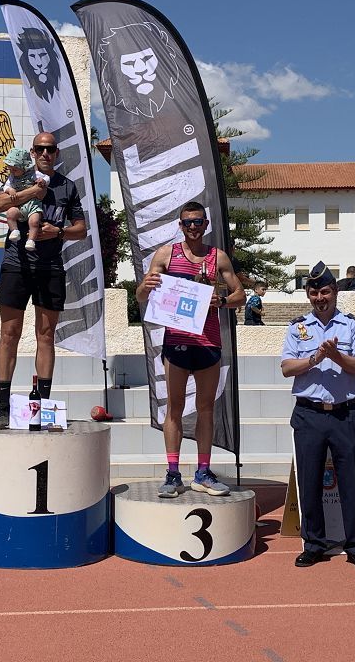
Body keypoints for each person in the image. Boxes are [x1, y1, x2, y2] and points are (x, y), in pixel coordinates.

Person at [136, 202, 245, 497]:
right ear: (180, 225)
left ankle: (203, 472)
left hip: (208, 342)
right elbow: (141, 296)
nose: (193, 227)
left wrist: (221, 302)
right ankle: (173, 474)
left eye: (198, 222)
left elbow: (241, 296)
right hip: (177, 342)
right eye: (188, 223)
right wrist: (145, 286)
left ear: (206, 224)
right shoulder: (166, 254)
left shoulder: (217, 257)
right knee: (175, 408)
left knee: (206, 409)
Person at [0, 131, 87, 429]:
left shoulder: (67, 187)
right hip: (16, 264)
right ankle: (3, 406)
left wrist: (57, 232)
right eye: (40, 149)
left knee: (45, 336)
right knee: (9, 334)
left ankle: (44, 404)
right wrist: (32, 192)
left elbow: (80, 229)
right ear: (31, 152)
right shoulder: (18, 177)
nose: (45, 153)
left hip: (50, 267)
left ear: (57, 153)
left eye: (51, 149)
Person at [281, 262, 355, 571]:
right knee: (309, 484)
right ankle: (314, 544)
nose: (321, 297)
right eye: (315, 292)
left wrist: (336, 356)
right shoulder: (297, 327)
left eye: (326, 292)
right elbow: (286, 368)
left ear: (335, 292)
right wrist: (316, 357)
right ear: (308, 294)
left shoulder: (351, 325)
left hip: (345, 414)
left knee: (352, 484)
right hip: (309, 414)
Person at [1, 146, 49, 252]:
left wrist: (42, 181)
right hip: (20, 206)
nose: (12, 172)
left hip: (33, 205)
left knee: (34, 221)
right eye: (10, 169)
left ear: (24, 167)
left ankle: (31, 240)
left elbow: (46, 177)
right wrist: (10, 190)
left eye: (15, 169)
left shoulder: (33, 174)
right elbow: (5, 187)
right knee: (10, 213)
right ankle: (14, 231)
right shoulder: (12, 177)